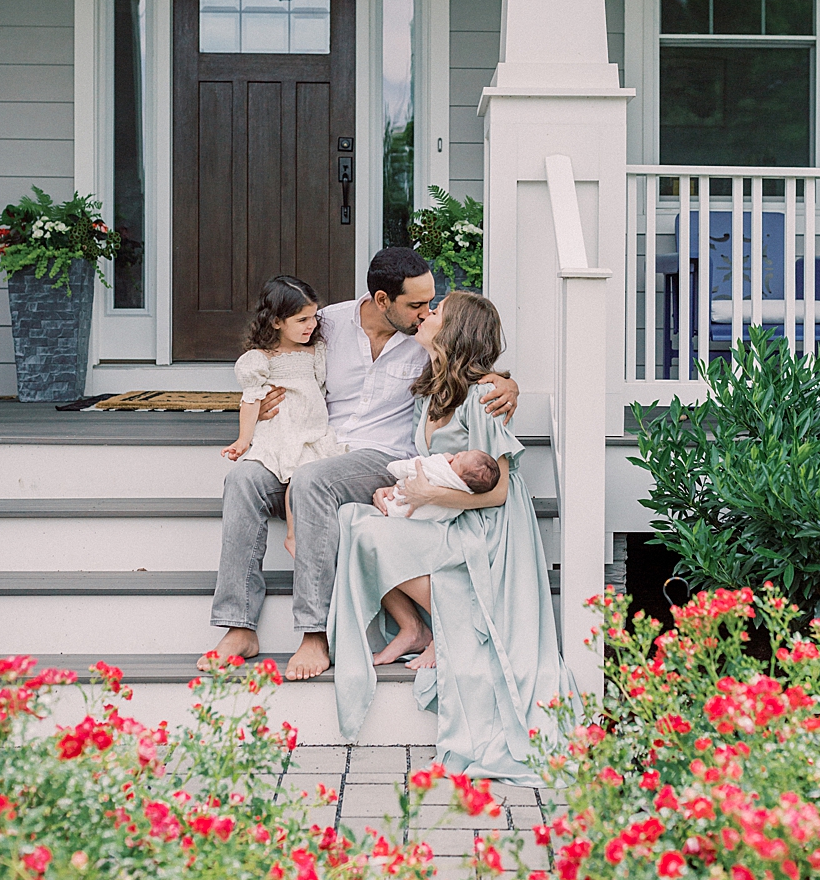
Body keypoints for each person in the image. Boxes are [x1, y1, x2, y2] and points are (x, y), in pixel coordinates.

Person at [201, 248, 518, 681]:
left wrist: (507, 382)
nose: (425, 313)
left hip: (381, 458)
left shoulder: (428, 337)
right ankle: (239, 626)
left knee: (313, 481)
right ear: (382, 300)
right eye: (415, 304)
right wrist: (270, 400)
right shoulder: (326, 323)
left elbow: (474, 362)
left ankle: (315, 631)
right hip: (315, 445)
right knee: (243, 479)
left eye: (431, 303)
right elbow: (271, 356)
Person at [327, 291, 576, 783]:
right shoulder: (435, 390)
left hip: (486, 528)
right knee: (356, 522)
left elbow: (499, 491)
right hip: (445, 514)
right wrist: (400, 493)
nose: (426, 314)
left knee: (367, 534)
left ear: (455, 329)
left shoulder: (484, 397)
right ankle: (420, 627)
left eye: (436, 311)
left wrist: (425, 497)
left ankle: (446, 621)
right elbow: (435, 470)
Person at [220, 276, 342, 558]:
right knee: (296, 476)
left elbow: (320, 391)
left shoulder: (315, 351)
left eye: (313, 317)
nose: (311, 325)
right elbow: (251, 400)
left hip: (313, 429)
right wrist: (243, 440)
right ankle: (293, 535)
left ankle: (301, 534)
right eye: (302, 320)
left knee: (307, 476)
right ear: (276, 322)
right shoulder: (261, 358)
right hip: (285, 428)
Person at [383, 449, 500, 520]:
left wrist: (439, 459)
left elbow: (399, 468)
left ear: (463, 482)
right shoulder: (462, 500)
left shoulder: (438, 468)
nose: (458, 454)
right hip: (421, 521)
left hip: (394, 507)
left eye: (461, 458)